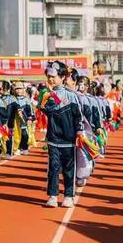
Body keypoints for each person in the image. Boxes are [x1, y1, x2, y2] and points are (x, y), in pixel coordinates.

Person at [41, 61, 83, 208]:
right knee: (53, 168)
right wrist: (49, 96)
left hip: (69, 139)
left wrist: (79, 132)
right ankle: (53, 196)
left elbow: (78, 116)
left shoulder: (71, 96)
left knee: (68, 169)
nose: (51, 79)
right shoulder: (47, 95)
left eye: (53, 76)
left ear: (62, 77)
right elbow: (47, 110)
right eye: (49, 76)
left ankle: (68, 196)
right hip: (53, 139)